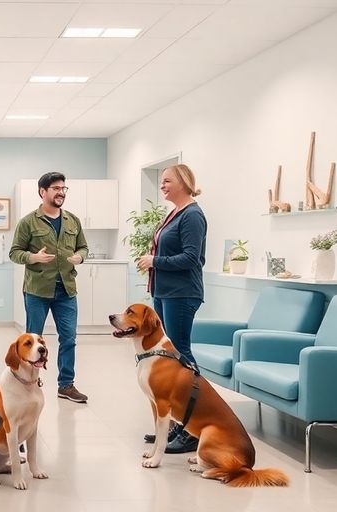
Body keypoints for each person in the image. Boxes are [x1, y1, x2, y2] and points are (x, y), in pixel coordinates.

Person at [136, 164, 208, 453]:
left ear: (183, 182)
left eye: (167, 181)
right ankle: (177, 423)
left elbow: (192, 258)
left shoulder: (193, 215)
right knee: (170, 359)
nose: (162, 185)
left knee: (182, 357)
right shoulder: (175, 213)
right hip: (165, 292)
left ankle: (193, 429)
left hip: (182, 294)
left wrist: (155, 262)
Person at [9, 171, 89, 403]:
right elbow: (14, 252)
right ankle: (28, 382)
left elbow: (83, 247)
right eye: (55, 188)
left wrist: (80, 258)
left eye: (63, 188)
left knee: (69, 338)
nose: (61, 192)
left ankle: (66, 385)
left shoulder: (72, 220)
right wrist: (33, 258)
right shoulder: (28, 222)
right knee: (33, 341)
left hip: (66, 290)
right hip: (37, 291)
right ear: (43, 192)